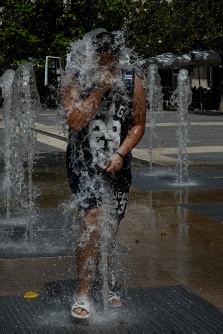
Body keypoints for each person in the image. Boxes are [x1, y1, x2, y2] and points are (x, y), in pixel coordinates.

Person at [61, 31, 146, 319]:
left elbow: (138, 125)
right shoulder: (75, 79)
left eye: (111, 57)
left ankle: (107, 282)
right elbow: (74, 122)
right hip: (82, 164)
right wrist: (97, 90)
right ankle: (83, 291)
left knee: (110, 228)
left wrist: (122, 153)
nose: (106, 62)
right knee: (93, 221)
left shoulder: (131, 80)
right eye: (100, 57)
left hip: (118, 163)